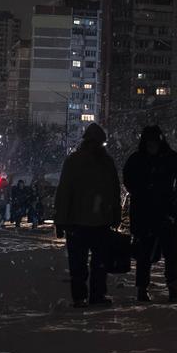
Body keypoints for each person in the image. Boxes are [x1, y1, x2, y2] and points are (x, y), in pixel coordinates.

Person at [54, 123, 121, 307]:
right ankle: (96, 295)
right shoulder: (106, 163)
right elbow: (114, 192)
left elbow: (64, 192)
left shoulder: (73, 161)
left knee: (78, 263)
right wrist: (115, 214)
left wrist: (61, 220)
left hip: (77, 222)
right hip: (100, 221)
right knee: (99, 263)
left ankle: (80, 297)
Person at [123, 125, 177, 303]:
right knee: (147, 254)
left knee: (167, 254)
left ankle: (170, 288)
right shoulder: (159, 159)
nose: (152, 146)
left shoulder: (142, 160)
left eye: (154, 142)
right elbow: (129, 182)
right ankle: (146, 289)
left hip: (159, 212)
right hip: (151, 213)